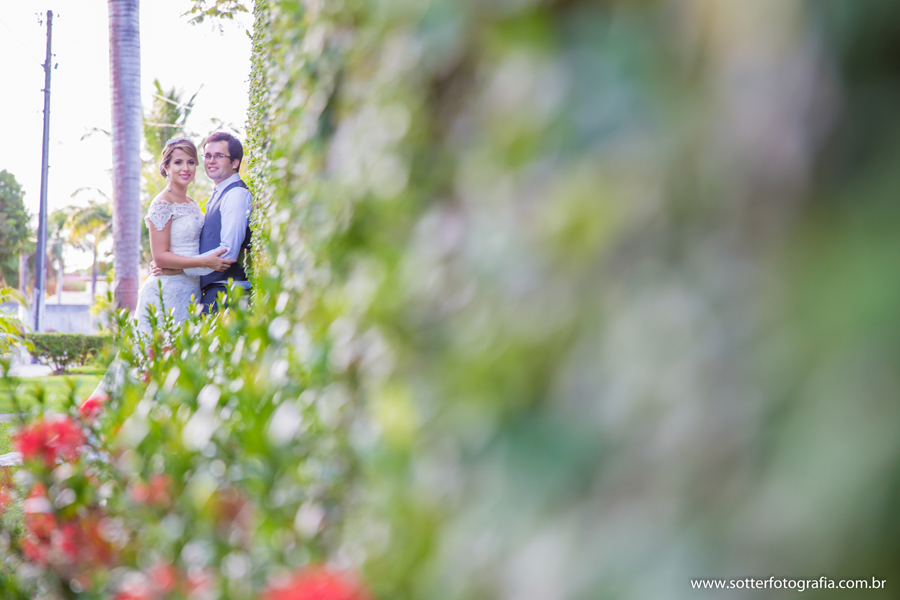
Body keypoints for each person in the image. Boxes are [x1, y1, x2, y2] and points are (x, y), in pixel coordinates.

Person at [135, 138, 235, 334]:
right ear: (166, 167)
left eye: (190, 162)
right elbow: (161, 257)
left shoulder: (191, 203)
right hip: (166, 290)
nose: (185, 168)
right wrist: (204, 262)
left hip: (191, 291)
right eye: (178, 162)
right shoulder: (162, 203)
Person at [150, 132, 253, 314]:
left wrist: (178, 268)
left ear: (235, 163)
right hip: (197, 291)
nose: (211, 161)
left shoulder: (235, 194)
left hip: (226, 291)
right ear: (166, 167)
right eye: (207, 155)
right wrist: (167, 261)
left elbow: (226, 253)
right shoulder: (214, 197)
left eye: (219, 156)